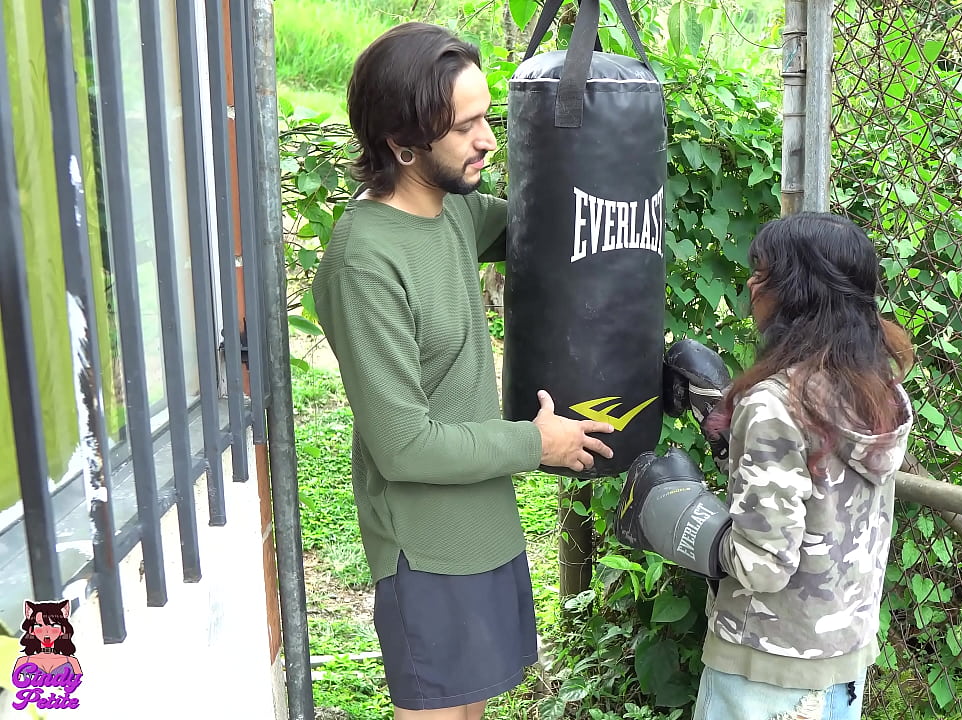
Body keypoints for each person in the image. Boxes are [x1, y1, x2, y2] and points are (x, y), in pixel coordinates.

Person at [311, 22, 616, 720]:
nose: (487, 140)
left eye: (489, 117)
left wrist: (602, 156)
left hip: (484, 525)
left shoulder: (452, 212)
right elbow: (405, 445)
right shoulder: (367, 263)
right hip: (426, 549)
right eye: (465, 126)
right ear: (402, 142)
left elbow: (545, 230)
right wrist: (536, 444)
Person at [615, 212, 916, 719]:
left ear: (797, 293)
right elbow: (817, 478)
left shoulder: (774, 404)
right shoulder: (877, 390)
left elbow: (764, 563)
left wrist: (686, 521)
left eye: (764, 274)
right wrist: (724, 424)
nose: (752, 285)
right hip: (842, 665)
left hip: (765, 669)